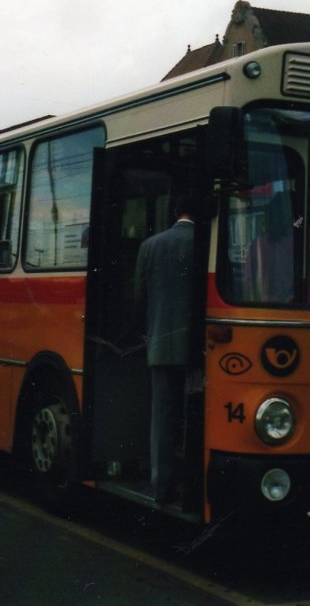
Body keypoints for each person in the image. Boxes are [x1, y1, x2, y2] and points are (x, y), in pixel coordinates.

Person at [133, 192, 196, 504]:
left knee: (163, 417)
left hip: (159, 344)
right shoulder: (206, 244)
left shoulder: (150, 246)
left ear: (174, 211)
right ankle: (189, 486)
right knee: (192, 416)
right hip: (197, 350)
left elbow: (138, 296)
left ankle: (161, 486)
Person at [244, 192, 310, 303]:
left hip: (267, 310)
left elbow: (249, 286)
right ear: (292, 213)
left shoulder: (256, 245)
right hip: (307, 310)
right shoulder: (306, 236)